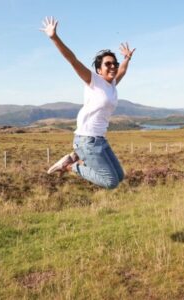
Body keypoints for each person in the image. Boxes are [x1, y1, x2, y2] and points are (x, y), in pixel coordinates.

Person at [40, 16, 135, 189]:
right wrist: (54, 37)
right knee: (110, 182)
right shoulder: (93, 80)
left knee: (120, 177)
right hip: (86, 140)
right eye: (108, 64)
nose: (113, 66)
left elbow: (122, 70)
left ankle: (75, 156)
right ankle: (71, 166)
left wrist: (127, 58)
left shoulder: (112, 84)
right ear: (99, 69)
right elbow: (72, 60)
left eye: (114, 63)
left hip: (100, 139)